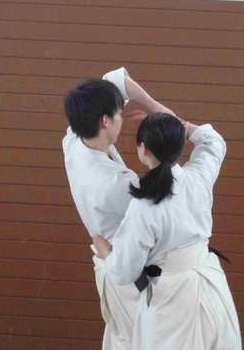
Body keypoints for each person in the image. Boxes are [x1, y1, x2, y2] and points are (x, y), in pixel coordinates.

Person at [92, 113, 241, 350]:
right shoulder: (199, 176)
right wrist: (185, 126)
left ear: (144, 149)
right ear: (180, 145)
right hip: (212, 288)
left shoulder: (144, 205)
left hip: (173, 301)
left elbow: (123, 272)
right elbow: (213, 140)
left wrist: (106, 254)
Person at [63, 67, 174, 350]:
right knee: (140, 342)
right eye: (119, 114)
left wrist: (154, 106)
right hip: (127, 277)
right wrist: (163, 129)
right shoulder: (117, 182)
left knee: (121, 340)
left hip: (109, 267)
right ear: (105, 121)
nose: (122, 117)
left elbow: (115, 82)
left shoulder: (73, 141)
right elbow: (161, 217)